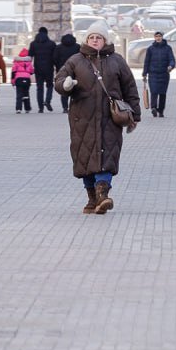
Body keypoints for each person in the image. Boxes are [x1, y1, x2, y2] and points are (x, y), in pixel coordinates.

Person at [54, 22, 140, 214]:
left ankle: (103, 194)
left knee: (108, 154)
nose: (95, 40)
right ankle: (92, 198)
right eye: (92, 37)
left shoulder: (117, 61)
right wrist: (66, 85)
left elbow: (130, 88)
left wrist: (135, 114)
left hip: (110, 119)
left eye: (98, 38)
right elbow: (59, 80)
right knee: (84, 157)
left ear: (105, 40)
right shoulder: (75, 61)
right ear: (86, 40)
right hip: (82, 119)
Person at [142, 31, 176, 118]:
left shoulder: (168, 48)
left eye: (159, 36)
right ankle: (153, 108)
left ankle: (161, 111)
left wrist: (171, 66)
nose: (158, 38)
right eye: (156, 36)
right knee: (154, 92)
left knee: (162, 93)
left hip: (164, 74)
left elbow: (172, 59)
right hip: (153, 74)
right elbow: (146, 62)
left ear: (162, 37)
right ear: (154, 37)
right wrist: (144, 74)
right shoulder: (150, 49)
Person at [29, 26, 57, 113]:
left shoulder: (33, 44)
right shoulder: (52, 44)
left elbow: (30, 56)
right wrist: (56, 66)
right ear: (46, 33)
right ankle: (47, 101)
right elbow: (55, 57)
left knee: (39, 88)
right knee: (50, 86)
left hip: (38, 68)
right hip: (49, 68)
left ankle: (40, 108)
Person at [52, 33, 81, 113]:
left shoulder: (58, 47)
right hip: (76, 70)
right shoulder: (77, 47)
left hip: (62, 70)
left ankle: (65, 107)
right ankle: (74, 106)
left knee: (63, 87)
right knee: (75, 87)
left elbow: (54, 58)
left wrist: (58, 67)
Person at [11, 47, 34, 113]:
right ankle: (27, 108)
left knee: (19, 94)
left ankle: (18, 108)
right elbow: (32, 72)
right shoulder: (29, 63)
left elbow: (13, 72)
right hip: (27, 79)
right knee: (26, 94)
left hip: (18, 79)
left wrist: (13, 81)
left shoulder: (16, 62)